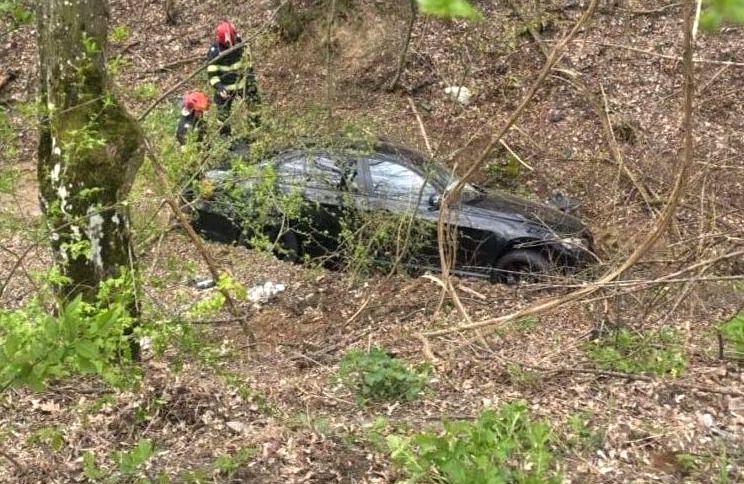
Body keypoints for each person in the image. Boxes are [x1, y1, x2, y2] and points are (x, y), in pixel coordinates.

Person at [207, 21, 260, 135]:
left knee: (254, 103)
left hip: (242, 82)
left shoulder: (241, 44)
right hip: (225, 87)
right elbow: (212, 74)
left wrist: (250, 81)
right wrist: (219, 87)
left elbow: (248, 64)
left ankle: (255, 131)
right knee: (223, 113)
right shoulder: (214, 52)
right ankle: (225, 137)